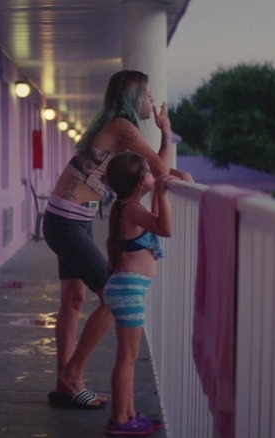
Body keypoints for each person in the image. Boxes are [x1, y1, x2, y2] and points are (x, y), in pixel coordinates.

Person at [42, 70, 191, 410]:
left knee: (74, 299)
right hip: (66, 221)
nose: (152, 100)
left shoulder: (117, 127)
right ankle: (72, 375)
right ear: (134, 95)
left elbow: (154, 173)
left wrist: (167, 161)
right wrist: (166, 133)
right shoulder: (124, 128)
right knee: (113, 297)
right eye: (148, 94)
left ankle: (64, 383)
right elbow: (159, 169)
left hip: (71, 219)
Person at [103, 151, 175, 436]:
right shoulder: (130, 208)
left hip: (126, 287)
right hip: (128, 290)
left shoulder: (128, 206)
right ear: (136, 183)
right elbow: (164, 227)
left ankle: (130, 413)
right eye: (147, 173)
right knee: (127, 357)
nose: (151, 176)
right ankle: (119, 420)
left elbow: (155, 219)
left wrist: (157, 189)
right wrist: (163, 193)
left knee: (129, 356)